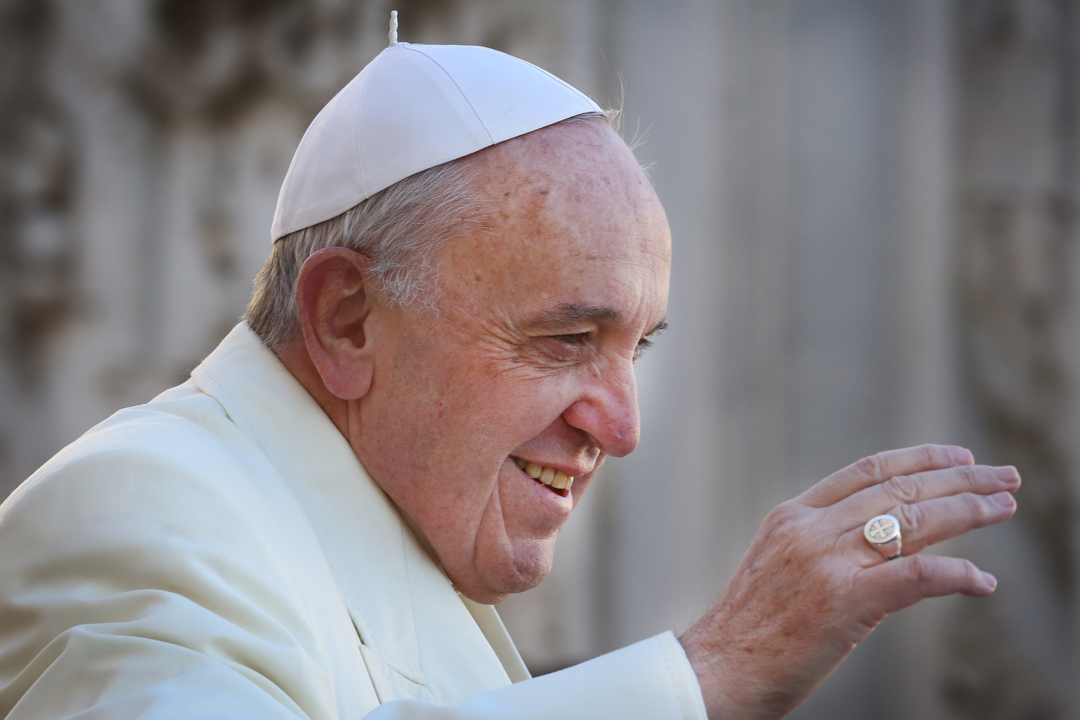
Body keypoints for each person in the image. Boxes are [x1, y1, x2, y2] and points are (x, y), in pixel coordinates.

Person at [0, 27, 1019, 720]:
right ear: (348, 320)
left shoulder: (396, 544)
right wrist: (705, 677)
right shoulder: (141, 508)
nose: (619, 428)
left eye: (637, 347)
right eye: (566, 341)